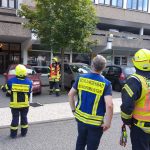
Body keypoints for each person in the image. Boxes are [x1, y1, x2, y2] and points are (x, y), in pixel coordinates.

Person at [68, 55, 113, 150]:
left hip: (80, 118)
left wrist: (73, 110)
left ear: (92, 65)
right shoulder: (106, 83)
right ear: (103, 67)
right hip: (95, 123)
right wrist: (108, 123)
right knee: (92, 146)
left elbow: (70, 94)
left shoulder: (81, 78)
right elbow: (109, 105)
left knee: (80, 142)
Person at [121, 49, 150, 150]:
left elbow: (127, 105)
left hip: (140, 128)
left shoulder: (135, 81)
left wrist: (127, 121)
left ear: (135, 63)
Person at [5, 64, 32, 138]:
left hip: (15, 105)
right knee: (24, 118)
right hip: (25, 105)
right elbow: (29, 92)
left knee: (15, 118)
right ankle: (24, 133)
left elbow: (5, 89)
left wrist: (7, 91)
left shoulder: (11, 81)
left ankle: (13, 135)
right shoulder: (29, 82)